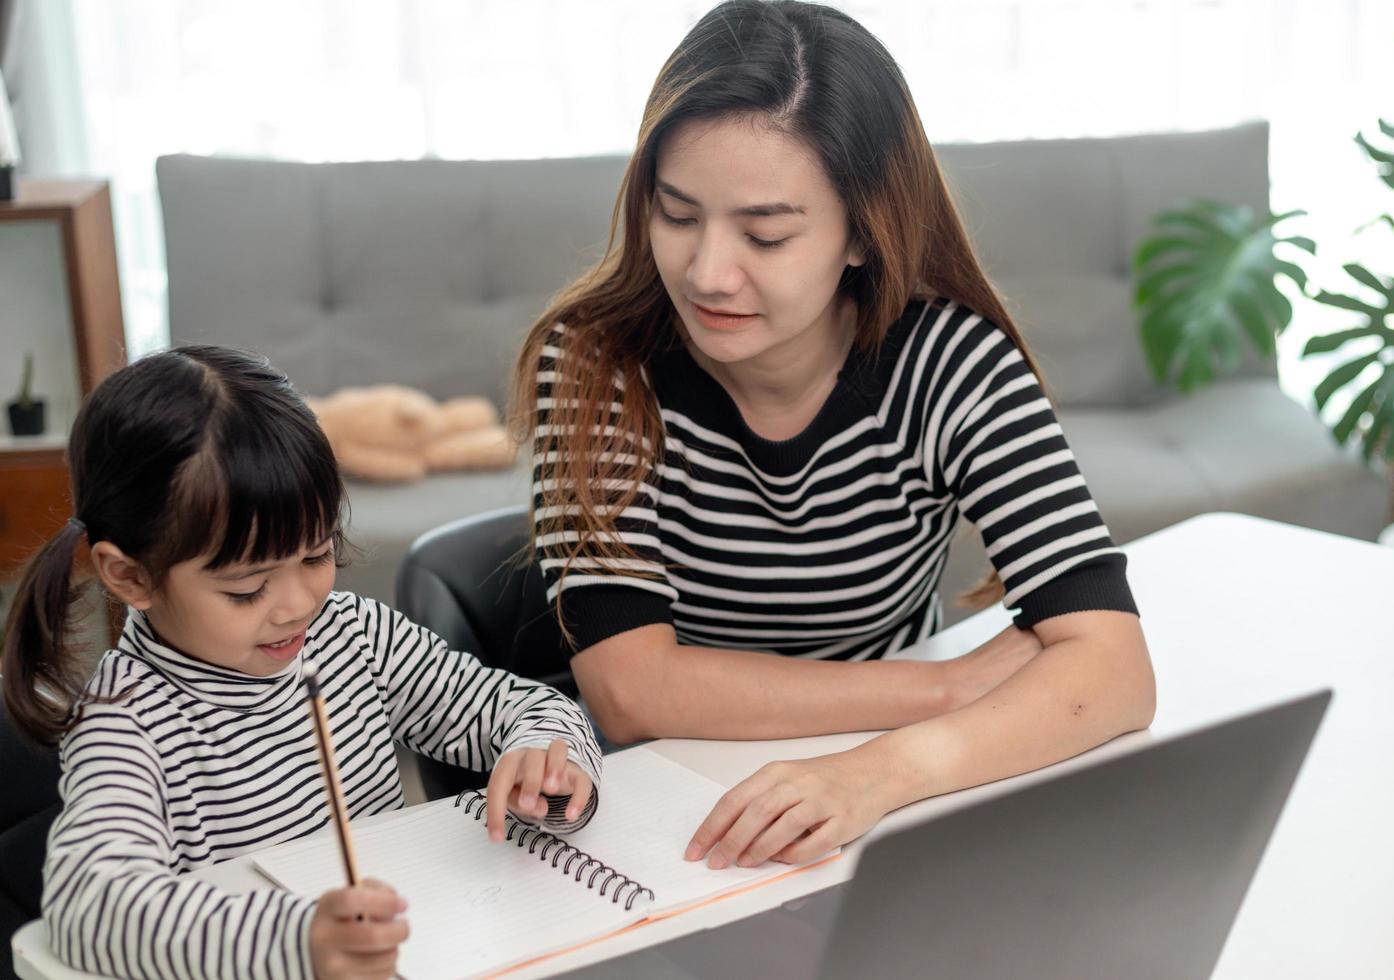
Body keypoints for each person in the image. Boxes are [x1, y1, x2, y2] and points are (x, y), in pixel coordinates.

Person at [511, 0, 1155, 869]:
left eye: (765, 233)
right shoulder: (597, 363)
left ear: (862, 231)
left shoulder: (949, 363)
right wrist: (942, 689)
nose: (707, 272)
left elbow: (1114, 669)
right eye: (676, 214)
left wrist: (877, 774)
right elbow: (631, 691)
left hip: (881, 811)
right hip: (661, 812)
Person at [1, 346, 602, 980]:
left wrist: (548, 758)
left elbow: (528, 706)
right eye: (246, 588)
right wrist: (299, 939)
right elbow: (88, 907)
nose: (296, 607)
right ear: (131, 576)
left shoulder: (353, 635)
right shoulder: (124, 722)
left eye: (316, 556)